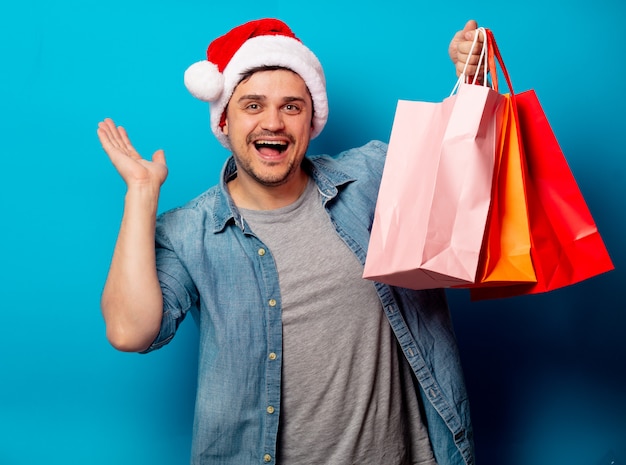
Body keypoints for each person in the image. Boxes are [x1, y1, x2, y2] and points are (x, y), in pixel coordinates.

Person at [97, 18, 485, 465]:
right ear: (225, 119)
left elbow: (468, 168)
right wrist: (141, 196)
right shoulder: (191, 231)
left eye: (292, 107)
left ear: (312, 119)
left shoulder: (371, 178)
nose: (273, 123)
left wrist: (471, 78)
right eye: (253, 105)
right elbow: (130, 332)